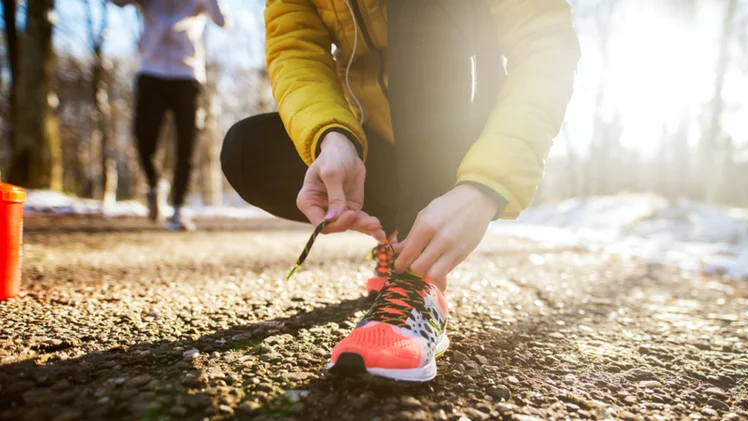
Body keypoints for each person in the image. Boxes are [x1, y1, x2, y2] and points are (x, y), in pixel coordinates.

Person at [221, 0, 580, 382]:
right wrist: (333, 135)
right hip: (374, 135)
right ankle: (398, 241)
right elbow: (295, 49)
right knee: (247, 150)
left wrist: (486, 184)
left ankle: (418, 283)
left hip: (464, 133)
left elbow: (545, 43)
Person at [111, 0, 228, 231]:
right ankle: (154, 185)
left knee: (187, 143)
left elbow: (223, 22)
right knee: (144, 137)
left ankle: (179, 208)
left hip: (188, 74)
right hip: (151, 71)